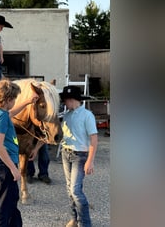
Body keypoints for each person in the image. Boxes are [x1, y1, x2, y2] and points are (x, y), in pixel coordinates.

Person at [0, 79, 39, 227]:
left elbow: (10, 112)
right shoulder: (2, 117)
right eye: (14, 99)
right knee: (5, 204)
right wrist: (13, 168)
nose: (14, 102)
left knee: (12, 199)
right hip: (5, 163)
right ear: (8, 99)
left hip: (2, 162)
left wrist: (28, 102)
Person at [59, 85, 98, 227]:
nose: (64, 103)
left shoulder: (87, 115)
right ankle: (74, 219)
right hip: (66, 152)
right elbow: (63, 136)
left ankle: (85, 223)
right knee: (69, 188)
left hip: (80, 156)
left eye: (65, 100)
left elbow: (94, 139)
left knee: (75, 190)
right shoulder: (67, 115)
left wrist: (90, 161)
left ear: (72, 99)